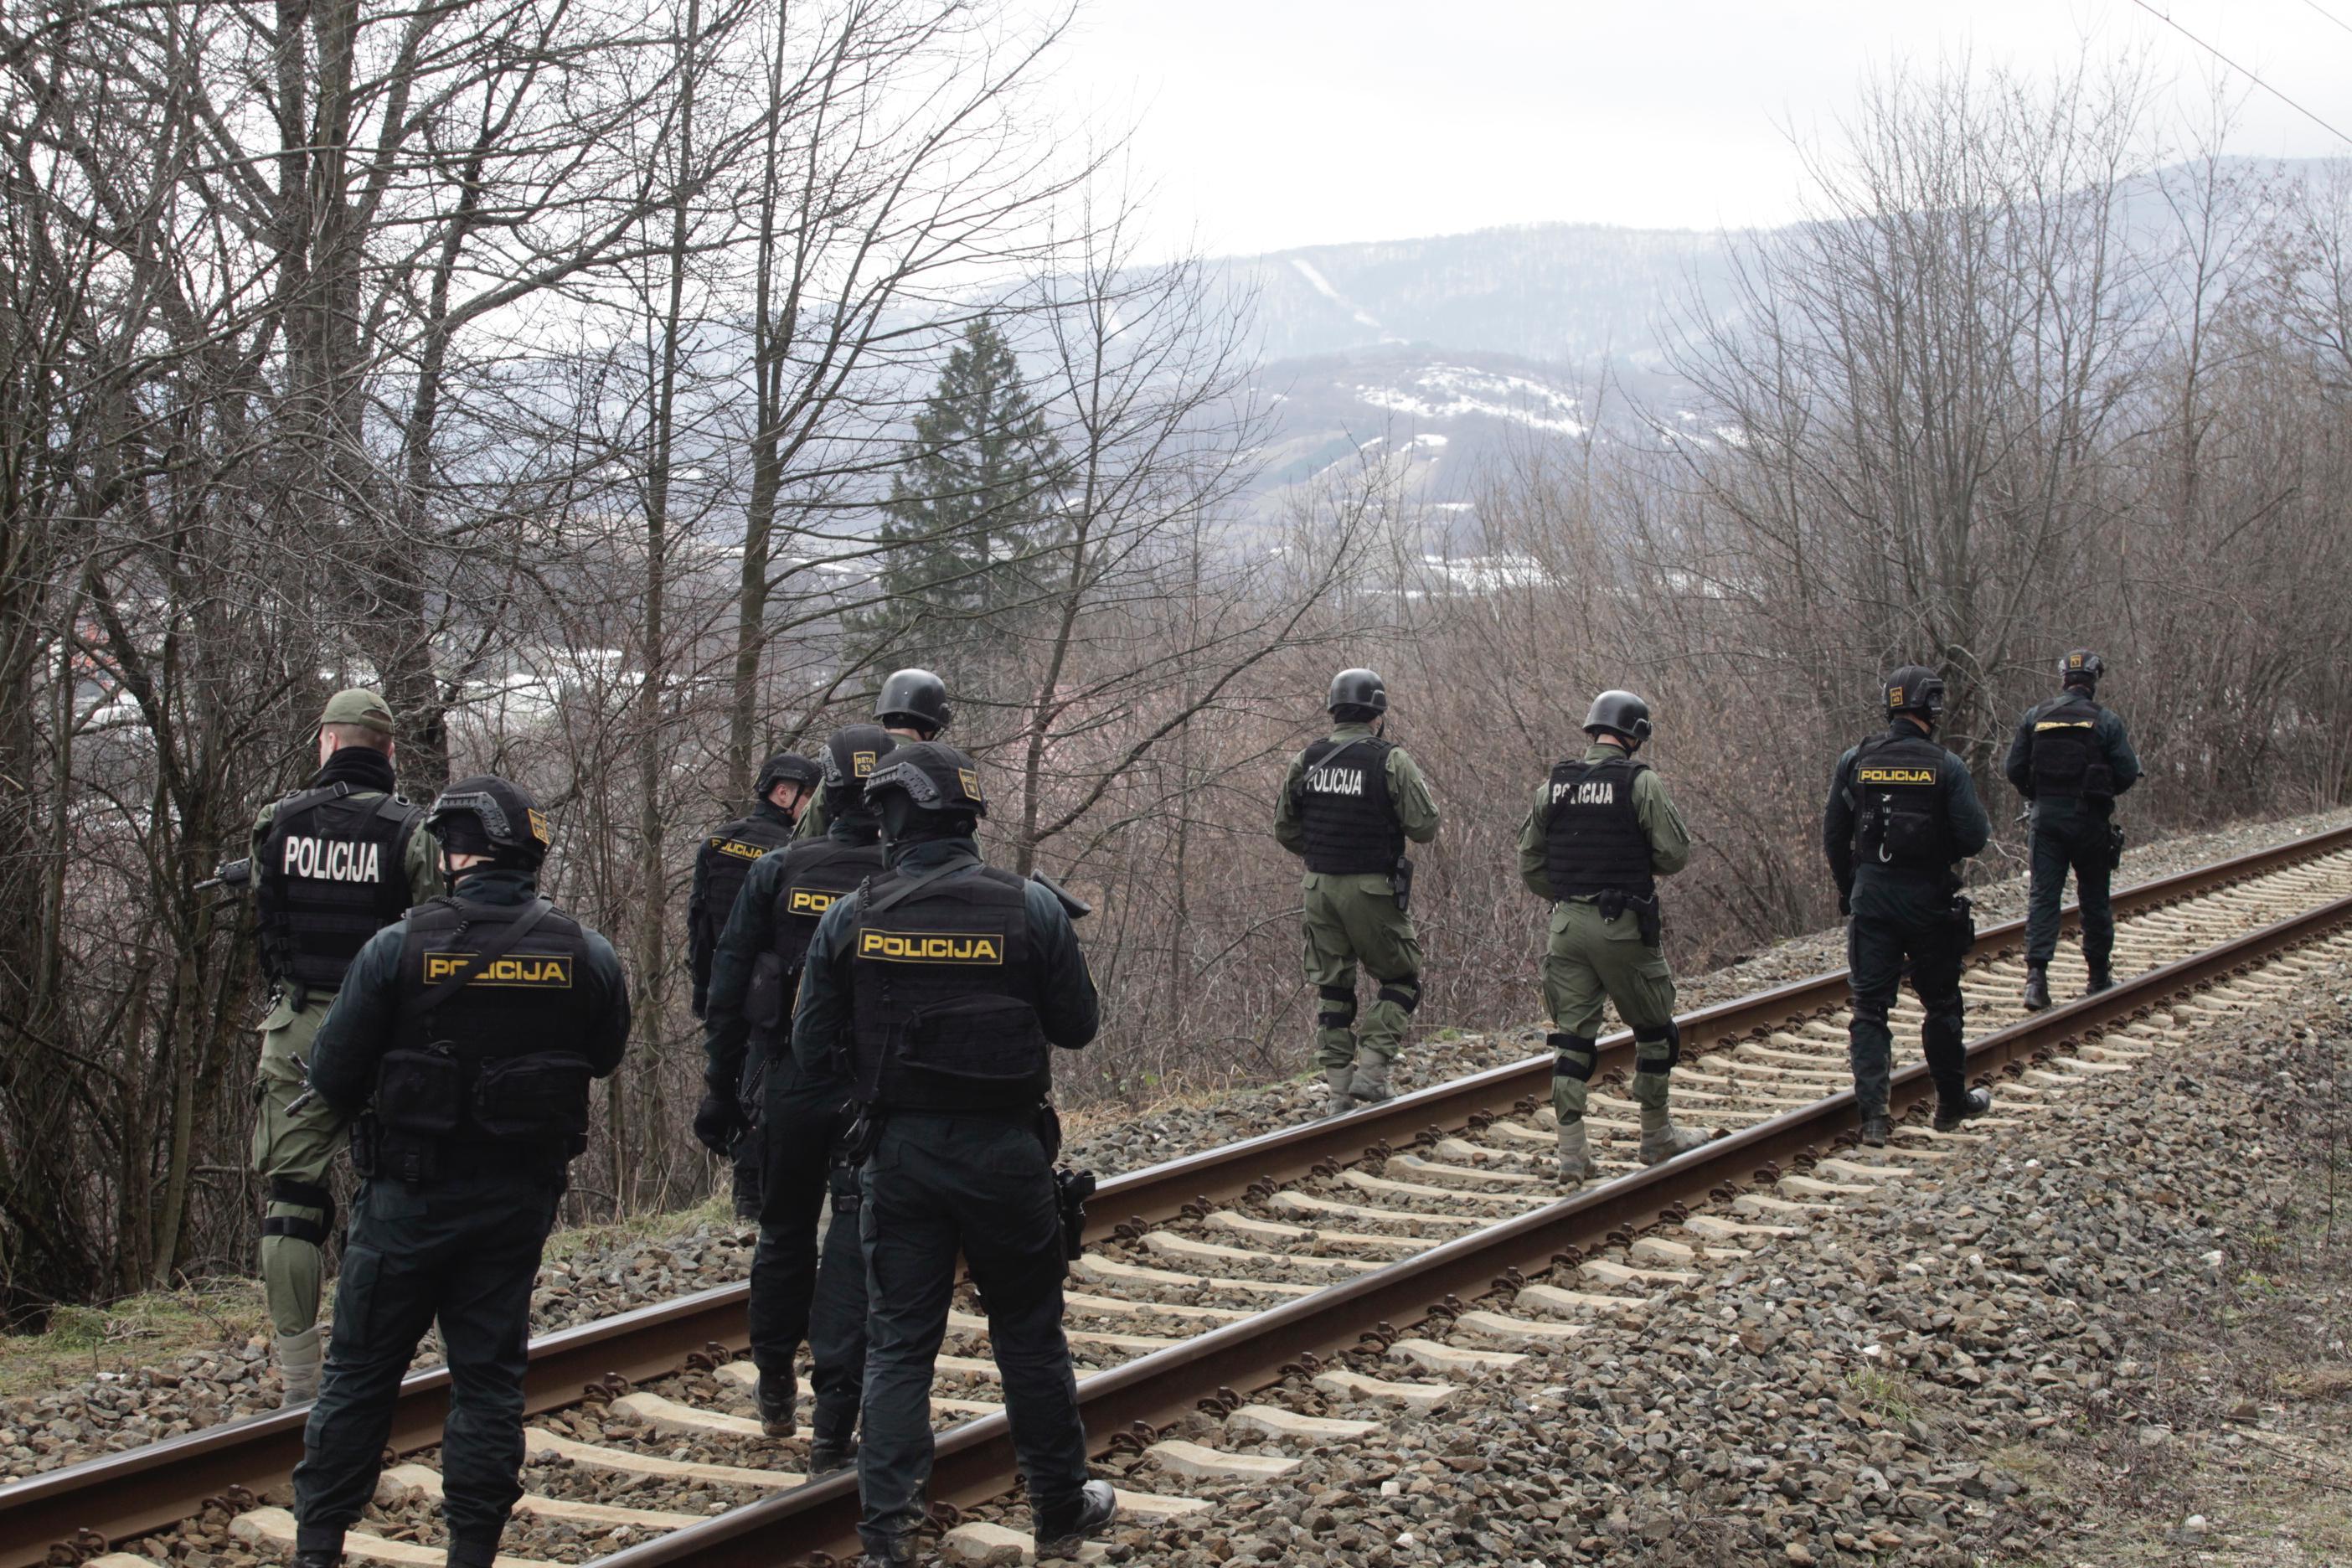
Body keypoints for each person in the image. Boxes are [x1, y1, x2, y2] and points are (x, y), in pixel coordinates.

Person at [288, 776, 629, 1568]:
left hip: (407, 1197)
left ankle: (318, 1548)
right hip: (515, 1203)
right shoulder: (587, 952)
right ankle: (471, 1549)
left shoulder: (395, 947)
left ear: (460, 852)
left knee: (361, 1375)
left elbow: (334, 1076)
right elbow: (603, 1057)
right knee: (488, 1380)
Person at [790, 742, 1117, 1565]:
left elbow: (809, 1043)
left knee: (901, 1340)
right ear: (967, 820)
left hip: (899, 1153)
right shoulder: (1030, 908)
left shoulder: (853, 915)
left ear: (895, 817)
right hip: (1007, 1152)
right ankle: (1057, 1508)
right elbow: (1078, 1025)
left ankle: (886, 1539)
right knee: (1030, 1334)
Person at [698, 724, 897, 1465]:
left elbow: (726, 988)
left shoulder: (778, 871)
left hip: (786, 1082)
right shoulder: (905, 879)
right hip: (869, 1094)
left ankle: (776, 1384)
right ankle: (834, 1419)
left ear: (828, 794)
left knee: (782, 1233)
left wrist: (721, 1089)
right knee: (852, 1236)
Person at [247, 689, 441, 1406]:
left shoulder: (277, 822)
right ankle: (387, 1354)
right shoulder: (410, 831)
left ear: (326, 743)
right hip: (384, 1031)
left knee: (292, 1199)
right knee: (396, 1189)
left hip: (297, 1027)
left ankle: (299, 1373)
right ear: (388, 752)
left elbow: (268, 913)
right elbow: (432, 932)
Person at [1516, 691, 1709, 1183]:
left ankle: (1572, 1156)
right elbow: (1673, 855)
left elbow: (1530, 863)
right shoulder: (1640, 783)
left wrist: (1566, 895)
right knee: (1655, 1030)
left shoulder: (1553, 787)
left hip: (1565, 927)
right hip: (1621, 926)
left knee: (1572, 1041)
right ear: (1634, 735)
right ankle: (1655, 1135)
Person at [1823, 667, 1994, 1146]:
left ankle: (1875, 1119)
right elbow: (1975, 837)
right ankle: (1949, 1105)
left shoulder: (1855, 761)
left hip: (1872, 900)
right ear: (1931, 707)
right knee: (1941, 1003)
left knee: (1870, 1009)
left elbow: (1835, 834)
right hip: (1929, 903)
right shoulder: (1947, 766)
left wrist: (1849, 888)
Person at [1271, 668, 1442, 1114]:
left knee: (1333, 988)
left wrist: (1325, 853)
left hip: (1318, 886)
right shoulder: (1389, 759)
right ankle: (1372, 1072)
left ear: (1333, 711)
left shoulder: (1306, 759)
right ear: (1377, 716)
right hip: (1371, 887)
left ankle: (1339, 1092)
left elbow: (1284, 828)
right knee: (1402, 979)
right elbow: (1425, 828)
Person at [689, 750, 822, 1220]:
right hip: (771, 995)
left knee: (737, 1090)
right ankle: (756, 1194)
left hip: (726, 989)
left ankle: (745, 1201)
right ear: (784, 792)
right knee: (764, 1091)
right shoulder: (793, 854)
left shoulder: (717, 842)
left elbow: (699, 929)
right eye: (810, 795)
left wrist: (705, 995)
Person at [2004, 650, 2143, 1009]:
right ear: (2093, 682)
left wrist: (2038, 795)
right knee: (2094, 896)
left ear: (2063, 679)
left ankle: (2036, 980)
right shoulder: (2106, 720)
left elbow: (2014, 769)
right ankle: (2098, 977)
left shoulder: (2036, 717)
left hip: (2046, 819)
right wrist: (2100, 792)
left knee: (2043, 897)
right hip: (2090, 820)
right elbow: (2127, 771)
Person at [796, 668, 952, 841]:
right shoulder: (938, 770)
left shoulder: (846, 758)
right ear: (934, 726)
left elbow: (808, 831)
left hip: (836, 862)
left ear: (883, 714)